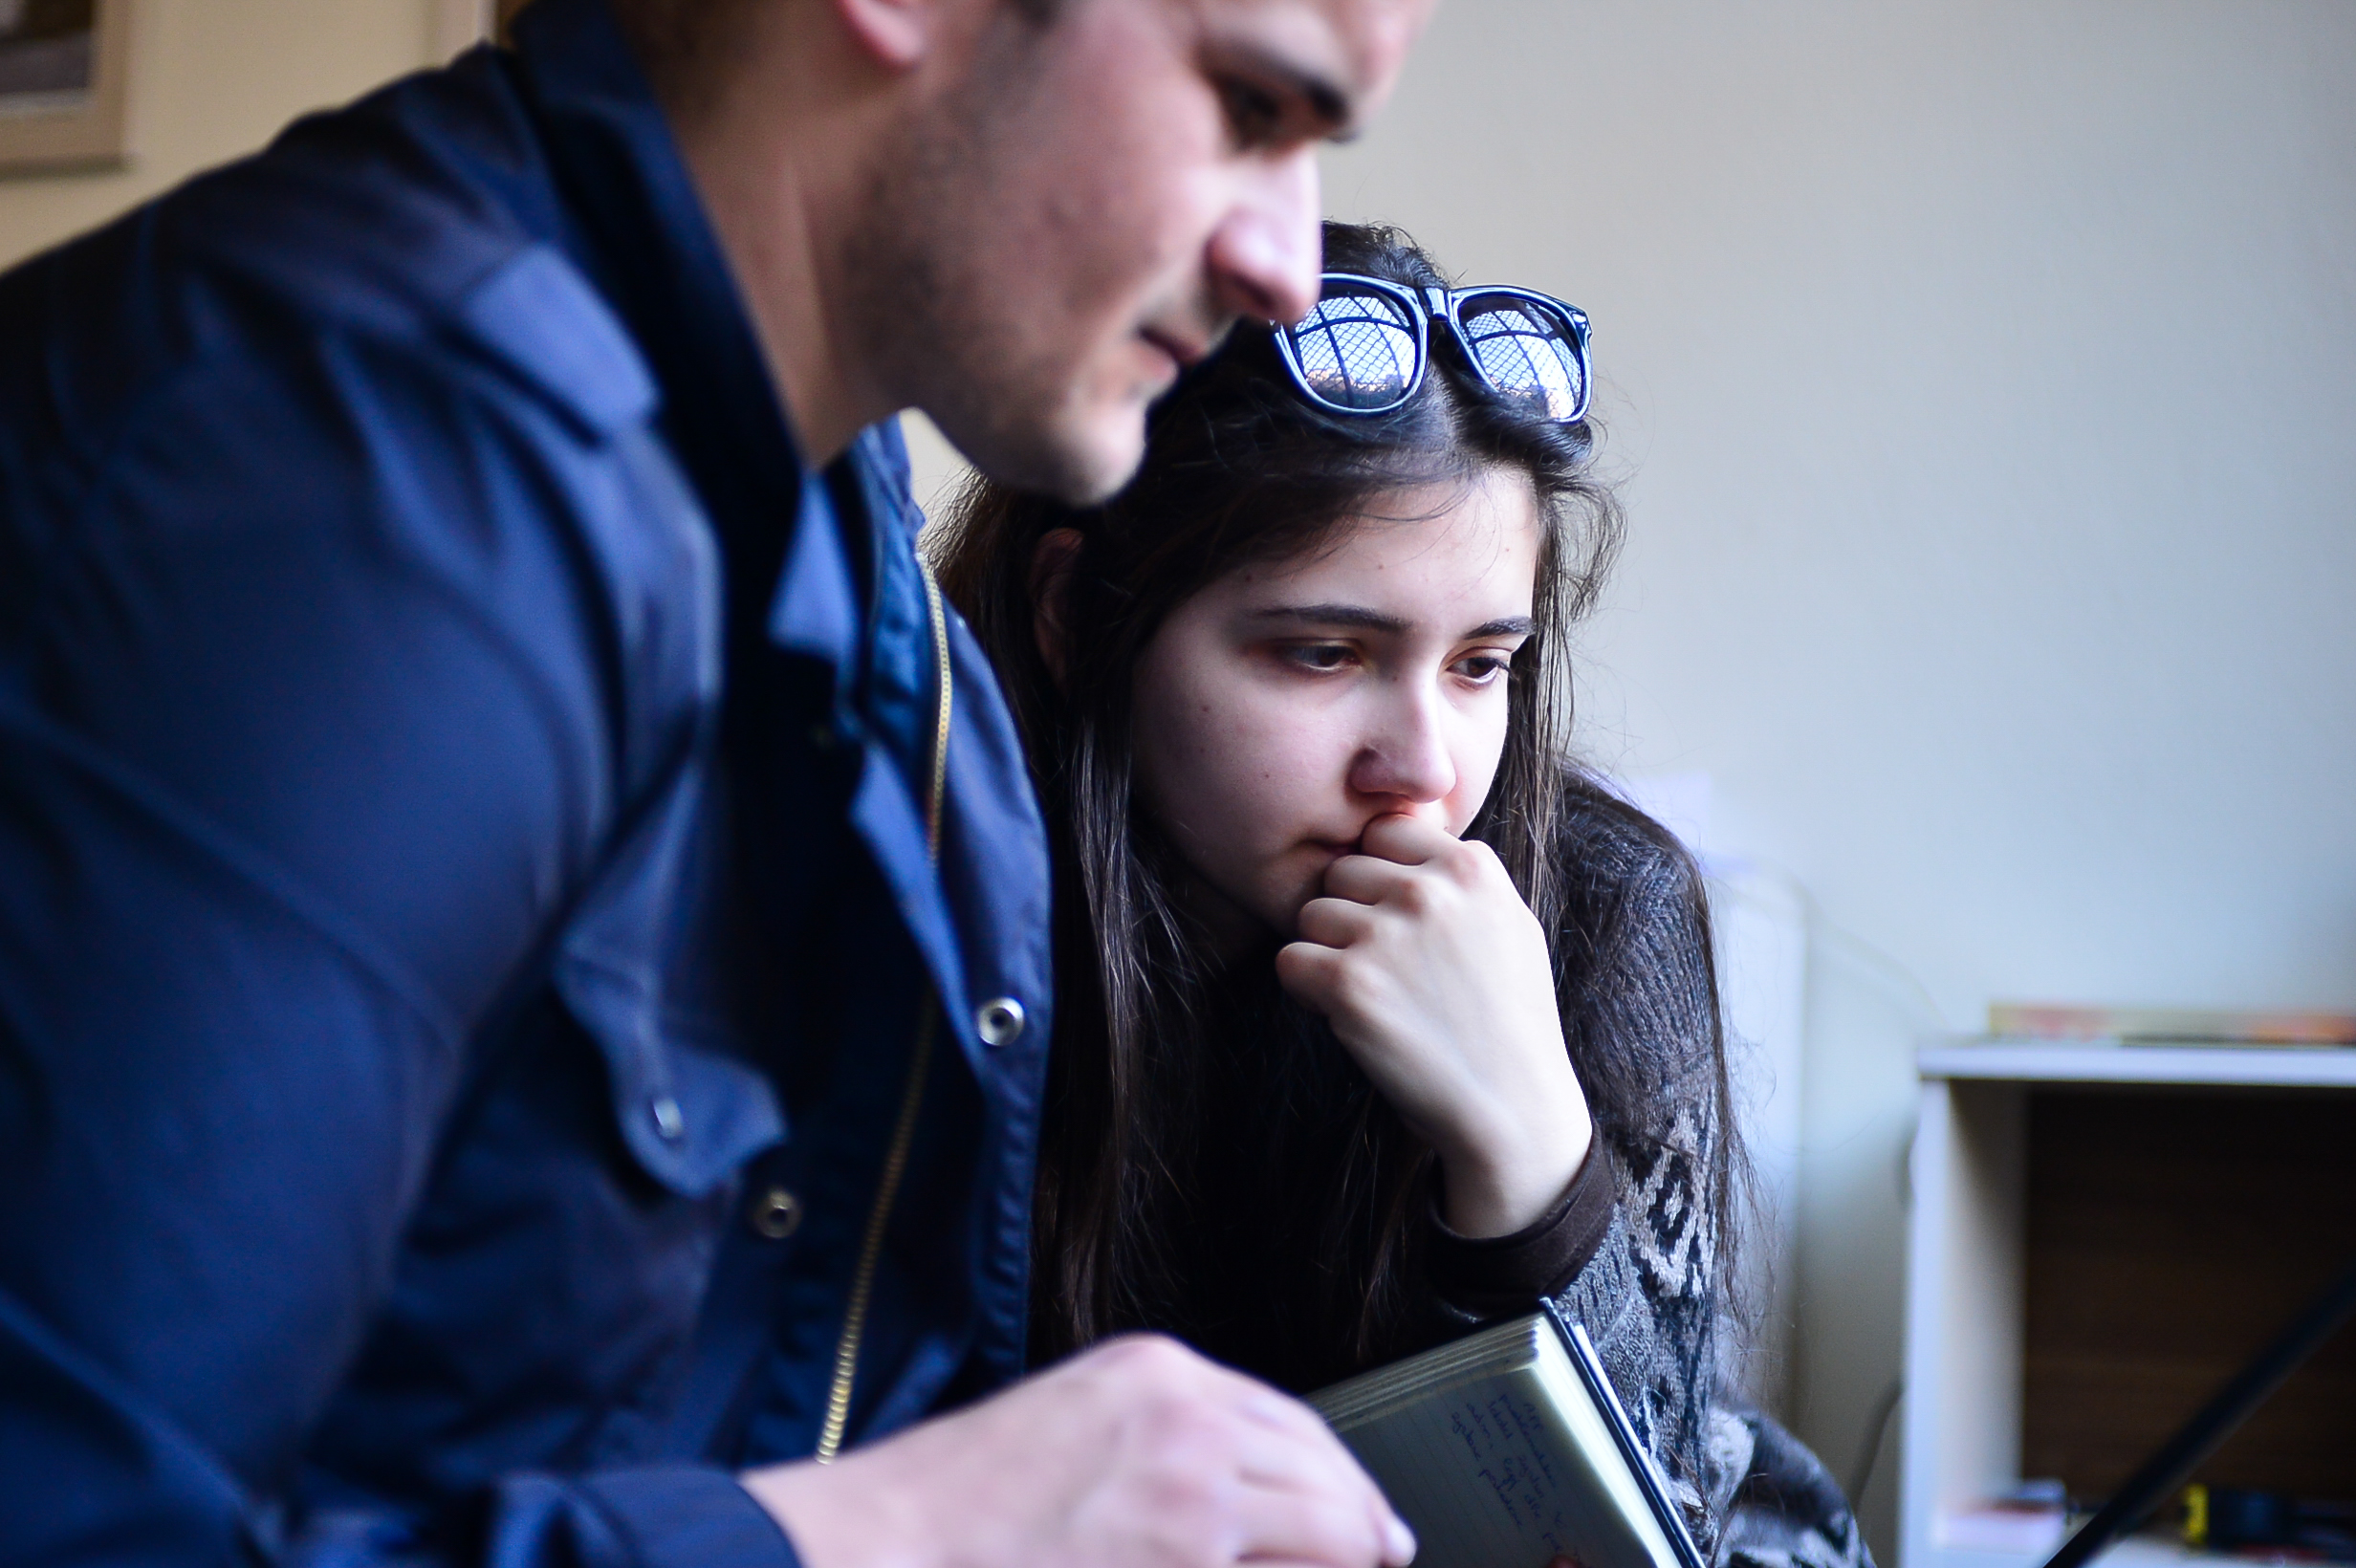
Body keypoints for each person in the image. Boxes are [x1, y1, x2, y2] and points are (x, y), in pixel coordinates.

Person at [0, 4, 1436, 1568]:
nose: (1286, 263)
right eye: (1247, 108)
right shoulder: (368, 494)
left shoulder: (820, 513)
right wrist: (906, 1532)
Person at [931, 221, 1876, 1568]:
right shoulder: (918, 915)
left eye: (1482, 665)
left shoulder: (1599, 907)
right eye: (1323, 654)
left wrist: (1538, 1164)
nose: (1424, 768)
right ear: (1076, 617)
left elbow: (1679, 1518)